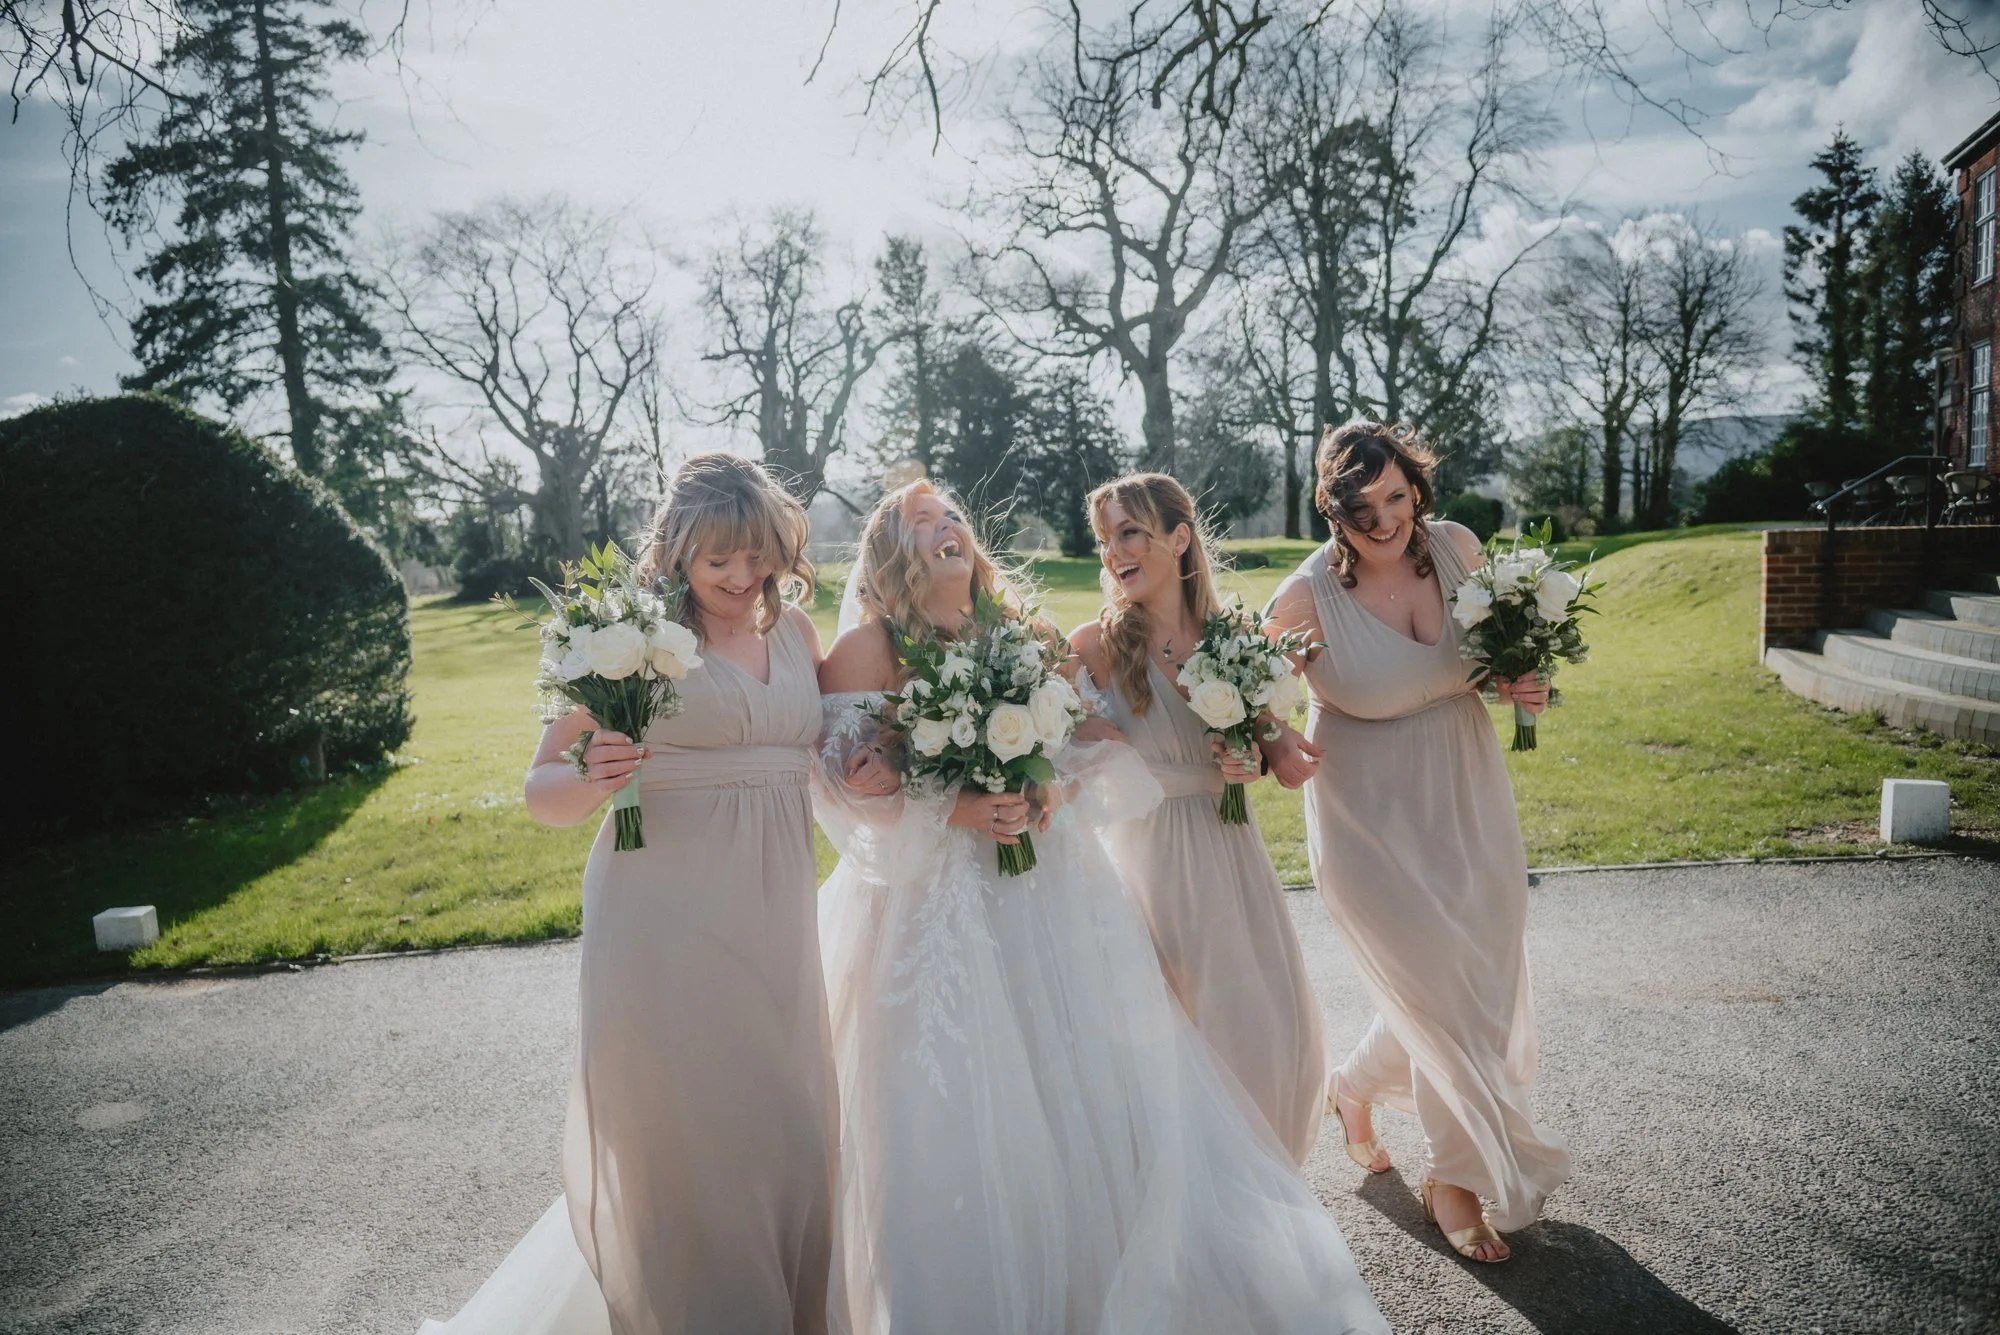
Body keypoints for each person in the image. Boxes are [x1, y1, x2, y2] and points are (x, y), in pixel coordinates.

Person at [811, 479, 1389, 1335]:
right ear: (889, 553)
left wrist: (1047, 788)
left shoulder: (1023, 631)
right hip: (932, 911)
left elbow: (1092, 741)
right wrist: (955, 806)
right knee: (950, 1117)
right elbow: (845, 794)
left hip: (1046, 886)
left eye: (954, 517)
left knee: (1085, 1098)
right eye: (920, 522)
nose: (945, 529)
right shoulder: (865, 648)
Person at [419, 453, 857, 1335]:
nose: (742, 578)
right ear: (679, 553)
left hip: (777, 923)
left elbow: (849, 758)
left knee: (791, 1138)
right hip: (664, 923)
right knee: (691, 1147)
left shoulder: (798, 635)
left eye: (758, 556)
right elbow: (543, 790)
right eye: (718, 561)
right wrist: (591, 772)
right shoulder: (630, 639)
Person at [1263, 421, 1573, 1264]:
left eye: (1396, 496)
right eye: (1361, 506)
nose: (1385, 518)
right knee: (1435, 975)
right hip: (1366, 807)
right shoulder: (1304, 597)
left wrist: (1524, 684)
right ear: (1333, 507)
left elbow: (1505, 656)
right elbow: (1249, 692)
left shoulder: (1458, 549)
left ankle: (1353, 1085)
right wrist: (1271, 740)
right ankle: (1455, 1178)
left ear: (1416, 486)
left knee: (1475, 970)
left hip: (1465, 782)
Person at [1067, 472, 1327, 1165]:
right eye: (1104, 538)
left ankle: (1269, 1188)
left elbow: (1276, 749)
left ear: (1179, 537)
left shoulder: (1235, 637)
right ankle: (1207, 1197)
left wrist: (1265, 753)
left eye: (1130, 531)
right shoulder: (1090, 646)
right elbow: (1064, 767)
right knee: (1186, 1033)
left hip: (1232, 851)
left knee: (1271, 1024)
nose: (1113, 552)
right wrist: (1098, 751)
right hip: (1151, 864)